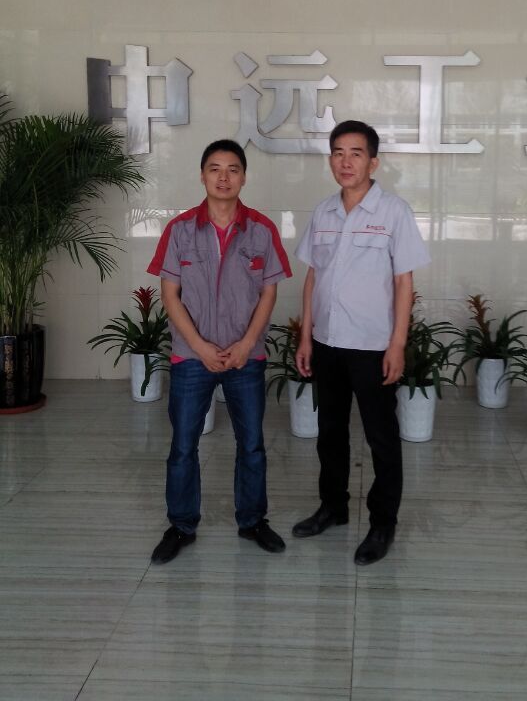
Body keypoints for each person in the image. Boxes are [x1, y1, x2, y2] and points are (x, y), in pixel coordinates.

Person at [292, 120, 430, 565]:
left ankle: (382, 522)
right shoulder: (323, 212)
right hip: (328, 342)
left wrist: (397, 344)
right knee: (330, 433)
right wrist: (306, 336)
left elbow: (404, 283)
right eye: (338, 153)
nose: (345, 161)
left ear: (373, 162)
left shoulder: (394, 212)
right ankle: (332, 507)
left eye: (355, 153)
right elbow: (313, 276)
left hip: (372, 346)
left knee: (381, 438)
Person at [147, 139, 291, 564]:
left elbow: (269, 292)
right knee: (183, 446)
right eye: (215, 169)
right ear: (202, 175)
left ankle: (253, 521)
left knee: (252, 445)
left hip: (246, 357)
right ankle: (181, 525)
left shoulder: (262, 229)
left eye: (232, 169)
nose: (223, 177)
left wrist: (246, 344)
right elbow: (169, 295)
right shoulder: (180, 230)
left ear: (244, 177)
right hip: (192, 358)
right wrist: (200, 347)